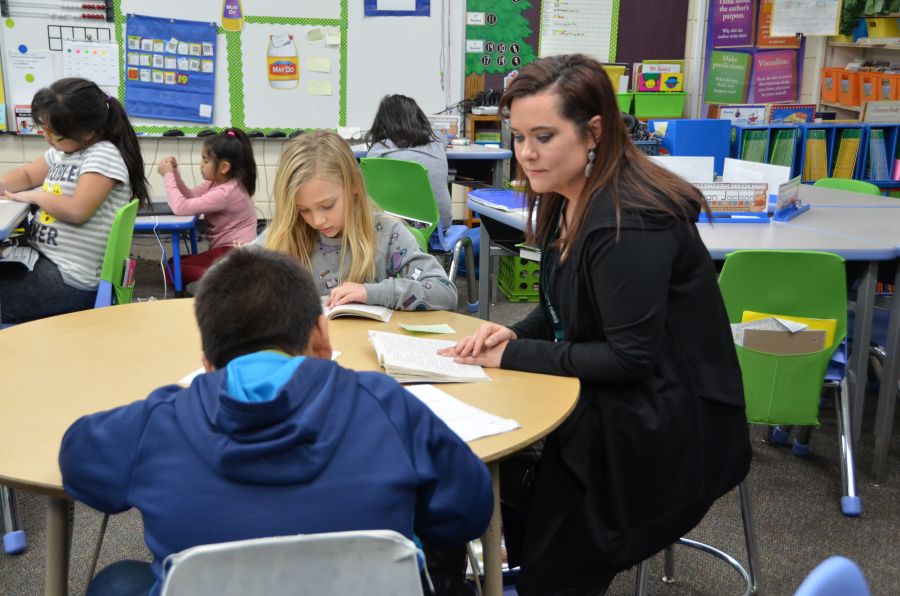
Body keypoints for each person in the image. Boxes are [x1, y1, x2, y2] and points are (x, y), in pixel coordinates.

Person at [440, 54, 752, 595]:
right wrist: (517, 333)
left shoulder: (628, 221)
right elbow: (567, 309)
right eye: (517, 137)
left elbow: (630, 358)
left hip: (666, 422)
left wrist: (510, 355)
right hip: (620, 395)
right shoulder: (567, 195)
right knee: (486, 460)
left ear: (594, 132)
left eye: (543, 135)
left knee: (519, 477)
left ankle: (542, 566)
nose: (526, 153)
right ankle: (518, 554)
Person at [60, 246, 493, 596]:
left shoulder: (161, 421)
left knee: (115, 582)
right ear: (321, 337)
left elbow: (78, 461)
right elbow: (468, 511)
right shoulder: (385, 404)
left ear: (209, 363)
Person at [0, 78, 149, 323]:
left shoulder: (103, 155)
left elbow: (78, 210)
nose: (47, 137)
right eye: (44, 129)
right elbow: (28, 174)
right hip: (44, 261)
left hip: (68, 280)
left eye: (54, 133)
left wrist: (34, 195)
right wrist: (4, 185)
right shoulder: (63, 152)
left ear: (87, 132)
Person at [264, 129, 457, 311]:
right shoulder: (286, 232)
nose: (317, 221)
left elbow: (445, 292)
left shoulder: (387, 234)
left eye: (328, 205)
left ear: (354, 185)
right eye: (303, 210)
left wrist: (371, 293)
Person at [157, 127, 258, 284]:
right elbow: (189, 196)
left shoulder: (226, 192)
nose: (201, 164)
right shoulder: (217, 183)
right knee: (173, 263)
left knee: (173, 272)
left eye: (206, 160)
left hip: (235, 254)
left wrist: (168, 175)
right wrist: (175, 173)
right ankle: (228, 276)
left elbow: (180, 207)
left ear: (224, 167)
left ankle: (228, 280)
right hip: (228, 252)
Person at [365, 94, 453, 233]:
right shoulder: (436, 143)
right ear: (419, 118)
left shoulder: (378, 152)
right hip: (437, 229)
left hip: (392, 230)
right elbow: (444, 138)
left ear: (382, 123)